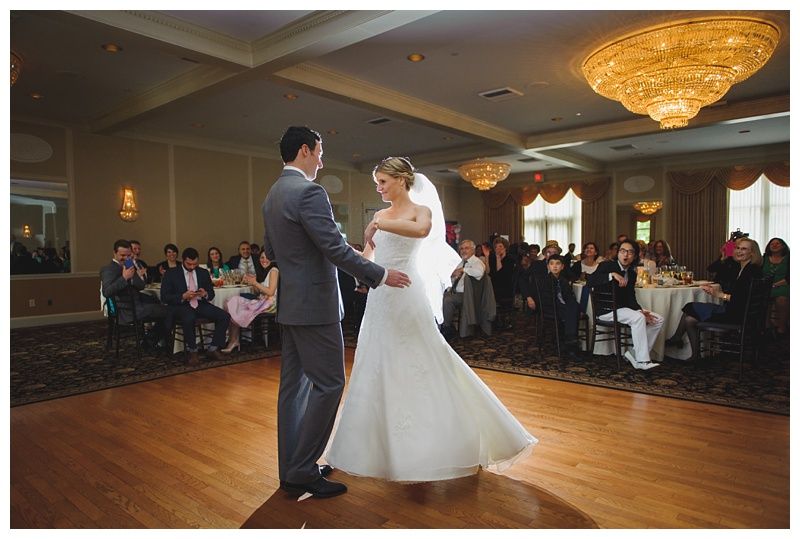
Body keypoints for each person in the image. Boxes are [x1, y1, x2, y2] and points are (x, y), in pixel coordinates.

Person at [325, 156, 536, 483]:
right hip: (381, 296)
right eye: (376, 183)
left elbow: (421, 230)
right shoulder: (379, 216)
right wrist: (342, 251)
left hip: (407, 293)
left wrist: (378, 226)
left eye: (382, 182)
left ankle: (438, 440)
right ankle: (382, 449)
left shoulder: (418, 212)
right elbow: (368, 258)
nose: (378, 188)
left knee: (421, 359)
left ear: (401, 180)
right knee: (377, 362)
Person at [262, 126, 410, 499]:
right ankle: (303, 469)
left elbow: (273, 253)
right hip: (315, 307)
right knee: (329, 385)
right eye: (320, 151)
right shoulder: (309, 192)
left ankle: (291, 468)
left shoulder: (273, 195)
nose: (322, 159)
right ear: (305, 151)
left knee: (292, 390)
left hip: (292, 305)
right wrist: (379, 274)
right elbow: (334, 247)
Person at [666, 238, 764, 359]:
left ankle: (678, 340)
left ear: (752, 253)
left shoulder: (750, 272)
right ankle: (693, 354)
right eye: (737, 248)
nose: (739, 251)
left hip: (736, 315)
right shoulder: (745, 268)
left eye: (744, 249)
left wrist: (719, 295)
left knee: (689, 307)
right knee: (689, 319)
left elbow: (741, 300)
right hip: (740, 313)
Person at [588, 240, 664, 370]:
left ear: (634, 256)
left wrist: (640, 310)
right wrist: (611, 275)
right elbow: (590, 280)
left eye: (630, 252)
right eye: (623, 251)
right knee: (638, 318)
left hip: (622, 309)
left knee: (657, 319)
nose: (626, 255)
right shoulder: (607, 266)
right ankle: (642, 361)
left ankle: (634, 354)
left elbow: (630, 298)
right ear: (618, 253)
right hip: (606, 310)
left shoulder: (632, 274)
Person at [160, 247, 230, 365]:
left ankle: (213, 349)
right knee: (189, 318)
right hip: (181, 306)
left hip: (200, 303)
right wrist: (182, 296)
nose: (192, 267)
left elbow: (211, 293)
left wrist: (205, 294)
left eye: (195, 264)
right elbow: (164, 296)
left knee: (224, 316)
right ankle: (193, 352)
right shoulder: (171, 273)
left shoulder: (203, 272)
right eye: (189, 264)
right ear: (183, 260)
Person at [100, 239, 171, 351]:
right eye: (122, 255)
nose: (126, 258)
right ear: (114, 253)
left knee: (163, 306)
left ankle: (152, 340)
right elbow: (107, 292)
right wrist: (124, 278)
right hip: (126, 311)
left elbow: (141, 286)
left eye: (128, 255)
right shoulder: (108, 269)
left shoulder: (129, 264)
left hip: (137, 304)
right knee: (170, 312)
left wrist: (133, 278)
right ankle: (151, 342)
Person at [222, 251, 279, 352]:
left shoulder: (274, 270)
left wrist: (255, 283)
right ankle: (233, 340)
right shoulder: (264, 271)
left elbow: (270, 292)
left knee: (238, 308)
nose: (264, 260)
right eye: (262, 257)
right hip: (262, 300)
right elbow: (259, 291)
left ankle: (234, 340)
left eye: (267, 258)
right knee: (232, 302)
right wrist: (252, 283)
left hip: (271, 303)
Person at [441, 239, 488, 339]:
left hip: (468, 296)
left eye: (466, 248)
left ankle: (446, 327)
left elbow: (479, 273)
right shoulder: (460, 262)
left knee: (448, 300)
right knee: (438, 297)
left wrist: (463, 270)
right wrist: (453, 275)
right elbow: (452, 277)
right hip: (455, 292)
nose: (463, 251)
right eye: (461, 248)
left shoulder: (477, 262)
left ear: (473, 250)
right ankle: (440, 326)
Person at [488, 236, 517, 330]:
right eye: (496, 247)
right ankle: (494, 319)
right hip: (495, 285)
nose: (498, 249)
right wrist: (492, 257)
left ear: (505, 247)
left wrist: (498, 259)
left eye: (500, 246)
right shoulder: (492, 258)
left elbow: (502, 274)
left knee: (499, 293)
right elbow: (491, 273)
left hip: (506, 286)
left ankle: (504, 320)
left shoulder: (510, 259)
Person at [762, 238, 789, 336]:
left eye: (778, 243)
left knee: (781, 299)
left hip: (783, 285)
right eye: (772, 244)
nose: (774, 245)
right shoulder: (764, 257)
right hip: (766, 286)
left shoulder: (789, 258)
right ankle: (767, 326)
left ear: (783, 246)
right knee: (762, 298)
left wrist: (774, 285)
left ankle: (782, 327)